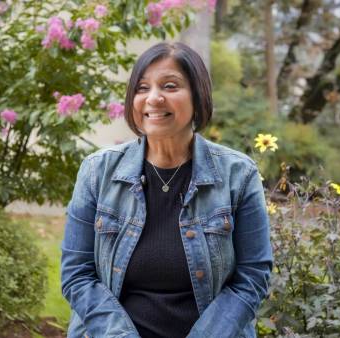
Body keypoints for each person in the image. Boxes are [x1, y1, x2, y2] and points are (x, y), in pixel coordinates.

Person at [61, 42, 273, 338]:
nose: (154, 98)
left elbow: (252, 278)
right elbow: (77, 275)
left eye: (170, 86)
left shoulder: (238, 174)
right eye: (142, 88)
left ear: (198, 97)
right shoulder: (98, 171)